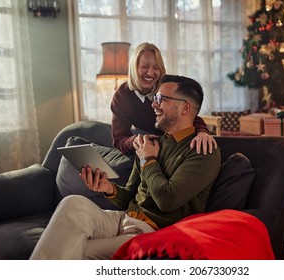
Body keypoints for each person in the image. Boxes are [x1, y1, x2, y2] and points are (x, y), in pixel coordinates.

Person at [29, 74, 221, 260]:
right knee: (73, 204)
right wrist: (109, 188)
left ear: (184, 108)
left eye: (161, 98)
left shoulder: (202, 151)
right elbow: (130, 194)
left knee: (75, 251)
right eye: (155, 98)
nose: (154, 104)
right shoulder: (151, 143)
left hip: (152, 232)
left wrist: (148, 160)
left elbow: (167, 200)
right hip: (123, 218)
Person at [110, 42, 217, 155]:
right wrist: (135, 141)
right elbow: (119, 140)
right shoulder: (122, 95)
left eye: (156, 67)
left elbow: (188, 113)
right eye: (144, 67)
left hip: (178, 144)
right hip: (149, 146)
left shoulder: (167, 87)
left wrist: (202, 132)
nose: (150, 72)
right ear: (133, 68)